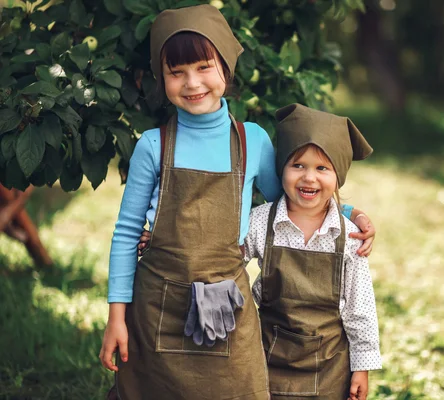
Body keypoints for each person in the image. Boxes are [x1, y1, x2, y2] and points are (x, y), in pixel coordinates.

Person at [99, 5, 376, 400]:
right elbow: (126, 234)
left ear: (225, 69)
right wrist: (117, 317)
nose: (192, 82)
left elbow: (293, 205)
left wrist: (350, 215)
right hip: (156, 310)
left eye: (203, 67)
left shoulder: (252, 141)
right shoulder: (152, 146)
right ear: (162, 78)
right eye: (176, 72)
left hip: (229, 313)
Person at [245, 104, 382, 400]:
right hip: (266, 360)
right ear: (282, 168)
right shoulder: (260, 222)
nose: (309, 178)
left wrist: (362, 367)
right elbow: (227, 261)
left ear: (338, 176)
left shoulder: (348, 236)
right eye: (298, 166)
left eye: (322, 168)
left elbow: (361, 308)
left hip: (330, 369)